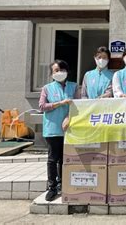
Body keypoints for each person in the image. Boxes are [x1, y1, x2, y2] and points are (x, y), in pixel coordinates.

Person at [38, 59, 79, 201]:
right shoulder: (47, 88)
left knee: (64, 159)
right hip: (52, 129)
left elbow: (78, 106)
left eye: (62, 70)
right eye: (56, 70)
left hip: (69, 129)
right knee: (52, 159)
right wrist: (60, 103)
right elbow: (42, 106)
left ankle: (63, 184)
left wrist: (68, 116)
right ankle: (52, 187)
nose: (59, 73)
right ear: (51, 74)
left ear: (67, 72)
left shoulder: (74, 87)